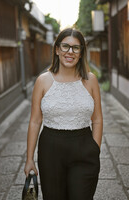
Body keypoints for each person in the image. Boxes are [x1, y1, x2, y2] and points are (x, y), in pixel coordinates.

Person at [24, 28, 103, 200]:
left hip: (84, 149)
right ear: (57, 49)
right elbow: (35, 121)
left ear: (81, 52)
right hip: (51, 150)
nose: (70, 52)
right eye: (65, 46)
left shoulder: (91, 80)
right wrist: (29, 158)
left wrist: (95, 149)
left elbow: (97, 119)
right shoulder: (43, 81)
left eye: (76, 48)